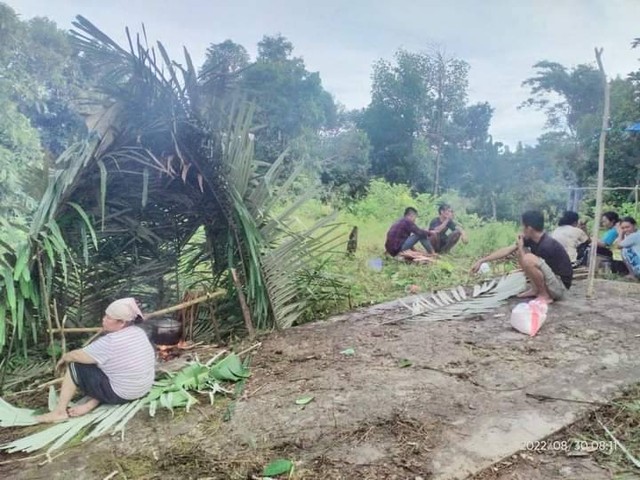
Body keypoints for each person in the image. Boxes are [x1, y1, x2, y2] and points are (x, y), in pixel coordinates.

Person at [36, 298, 156, 423]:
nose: (103, 319)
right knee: (103, 365)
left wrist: (64, 358)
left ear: (121, 323)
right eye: (105, 315)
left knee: (75, 366)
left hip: (122, 395)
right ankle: (91, 403)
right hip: (142, 389)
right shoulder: (138, 332)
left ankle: (59, 412)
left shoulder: (110, 342)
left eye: (109, 318)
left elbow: (77, 356)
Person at [471, 210, 573, 304]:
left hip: (560, 287)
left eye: (523, 226)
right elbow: (507, 250)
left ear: (529, 229)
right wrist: (482, 260)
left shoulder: (547, 245)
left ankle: (544, 295)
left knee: (528, 258)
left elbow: (527, 262)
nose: (521, 229)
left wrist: (520, 247)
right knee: (522, 253)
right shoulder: (532, 239)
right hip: (552, 280)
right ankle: (535, 290)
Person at [614, 216, 640, 280]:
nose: (625, 230)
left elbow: (618, 246)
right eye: (623, 228)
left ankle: (633, 275)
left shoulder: (635, 236)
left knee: (624, 250)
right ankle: (633, 274)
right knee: (625, 250)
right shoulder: (635, 234)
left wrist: (620, 233)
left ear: (634, 225)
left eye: (627, 227)